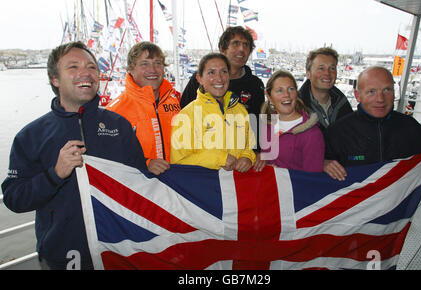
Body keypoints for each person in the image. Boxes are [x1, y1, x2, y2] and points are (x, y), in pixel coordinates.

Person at [1, 42, 147, 270]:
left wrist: (154, 169)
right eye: (73, 66)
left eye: (91, 67)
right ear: (55, 79)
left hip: (121, 248)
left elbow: (141, 184)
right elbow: (14, 199)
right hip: (63, 255)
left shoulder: (119, 126)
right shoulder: (31, 136)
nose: (85, 73)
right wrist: (55, 174)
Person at [324, 66, 421, 181]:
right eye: (371, 91)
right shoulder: (336, 132)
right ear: (357, 95)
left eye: (387, 90)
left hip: (398, 204)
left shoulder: (413, 129)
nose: (380, 99)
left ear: (394, 92)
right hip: (354, 204)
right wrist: (322, 164)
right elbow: (318, 178)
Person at [171, 53, 256, 172]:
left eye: (224, 72)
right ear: (199, 78)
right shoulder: (187, 115)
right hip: (204, 187)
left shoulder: (240, 110)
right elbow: (178, 162)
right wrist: (219, 159)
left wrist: (248, 157)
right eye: (211, 72)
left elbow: (249, 146)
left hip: (235, 186)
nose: (219, 78)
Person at [106, 41, 180, 175]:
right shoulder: (115, 110)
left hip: (175, 183)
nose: (152, 70)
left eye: (158, 63)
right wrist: (145, 163)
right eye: (144, 64)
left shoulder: (173, 102)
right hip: (139, 187)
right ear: (131, 69)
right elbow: (109, 158)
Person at [255, 70, 324, 172]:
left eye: (291, 89)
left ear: (296, 93)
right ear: (269, 97)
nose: (286, 94)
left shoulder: (312, 134)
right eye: (279, 90)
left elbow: (312, 180)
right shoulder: (268, 125)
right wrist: (262, 158)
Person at [298, 47, 353, 133]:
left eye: (332, 68)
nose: (327, 73)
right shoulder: (295, 107)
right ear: (308, 74)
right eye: (321, 68)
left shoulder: (343, 105)